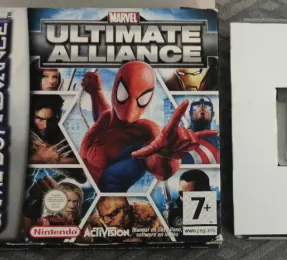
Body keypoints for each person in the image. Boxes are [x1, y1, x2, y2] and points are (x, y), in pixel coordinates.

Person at [79, 63, 217, 192]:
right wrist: (96, 92)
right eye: (123, 93)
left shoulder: (146, 131)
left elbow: (159, 168)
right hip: (80, 188)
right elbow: (108, 119)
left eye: (142, 98)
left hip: (107, 201)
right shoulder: (107, 118)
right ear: (115, 88)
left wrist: (166, 155)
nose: (130, 108)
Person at [29, 95, 76, 164]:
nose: (45, 126)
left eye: (50, 120)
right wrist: (39, 158)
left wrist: (58, 159)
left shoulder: (62, 132)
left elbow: (78, 160)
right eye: (40, 119)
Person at [182, 96, 219, 165]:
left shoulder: (220, 142)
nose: (202, 106)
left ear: (213, 114)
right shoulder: (179, 140)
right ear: (190, 113)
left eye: (207, 105)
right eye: (197, 104)